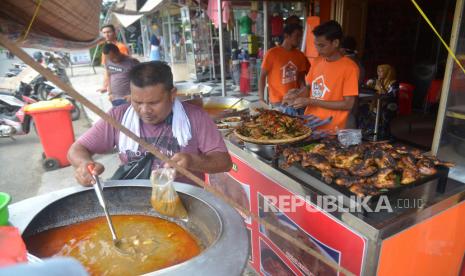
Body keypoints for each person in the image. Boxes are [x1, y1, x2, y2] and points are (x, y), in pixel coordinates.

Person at [68, 61, 232, 186]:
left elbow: (224, 162)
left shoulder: (196, 117)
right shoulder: (118, 117)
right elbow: (76, 149)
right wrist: (84, 165)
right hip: (135, 205)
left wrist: (192, 161)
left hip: (187, 203)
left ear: (172, 94)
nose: (145, 110)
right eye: (137, 102)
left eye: (154, 103)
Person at [284, 20, 359, 131]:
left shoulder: (350, 68)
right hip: (309, 123)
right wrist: (296, 96)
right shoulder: (318, 61)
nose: (318, 50)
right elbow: (310, 88)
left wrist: (310, 101)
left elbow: (348, 104)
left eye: (322, 46)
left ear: (335, 43)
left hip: (332, 129)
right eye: (316, 45)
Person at [258, 24, 310, 108]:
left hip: (294, 101)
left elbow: (301, 80)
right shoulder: (272, 53)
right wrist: (261, 98)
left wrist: (303, 95)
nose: (299, 39)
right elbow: (262, 77)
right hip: (278, 102)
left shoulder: (300, 55)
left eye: (300, 36)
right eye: (297, 36)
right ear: (286, 35)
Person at [358, 64, 399, 137]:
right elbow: (366, 88)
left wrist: (379, 86)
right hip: (376, 102)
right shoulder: (375, 81)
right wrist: (368, 85)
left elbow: (391, 96)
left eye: (381, 71)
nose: (379, 73)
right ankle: (368, 130)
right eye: (378, 71)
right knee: (363, 108)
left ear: (387, 72)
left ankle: (381, 133)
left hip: (389, 104)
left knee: (382, 111)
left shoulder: (393, 83)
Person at [98, 24, 129, 93]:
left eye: (109, 32)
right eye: (104, 33)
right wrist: (105, 86)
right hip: (113, 85)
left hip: (123, 85)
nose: (106, 35)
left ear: (115, 33)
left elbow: (126, 67)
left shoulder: (121, 47)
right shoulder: (105, 49)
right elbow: (107, 69)